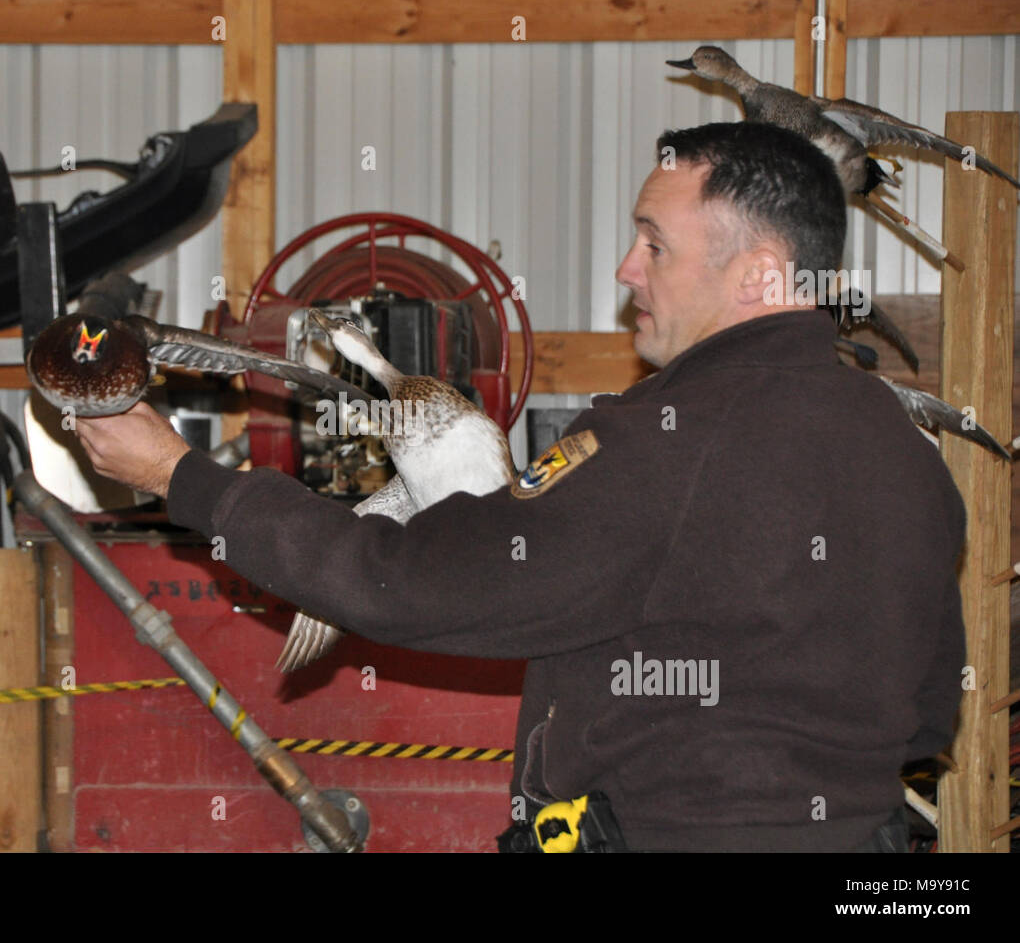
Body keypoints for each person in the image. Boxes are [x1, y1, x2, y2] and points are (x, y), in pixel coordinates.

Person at [75, 122, 965, 852]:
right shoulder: (907, 450)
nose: (625, 269)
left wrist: (177, 475)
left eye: (654, 243)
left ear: (763, 274)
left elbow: (409, 581)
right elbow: (928, 715)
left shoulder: (662, 441)